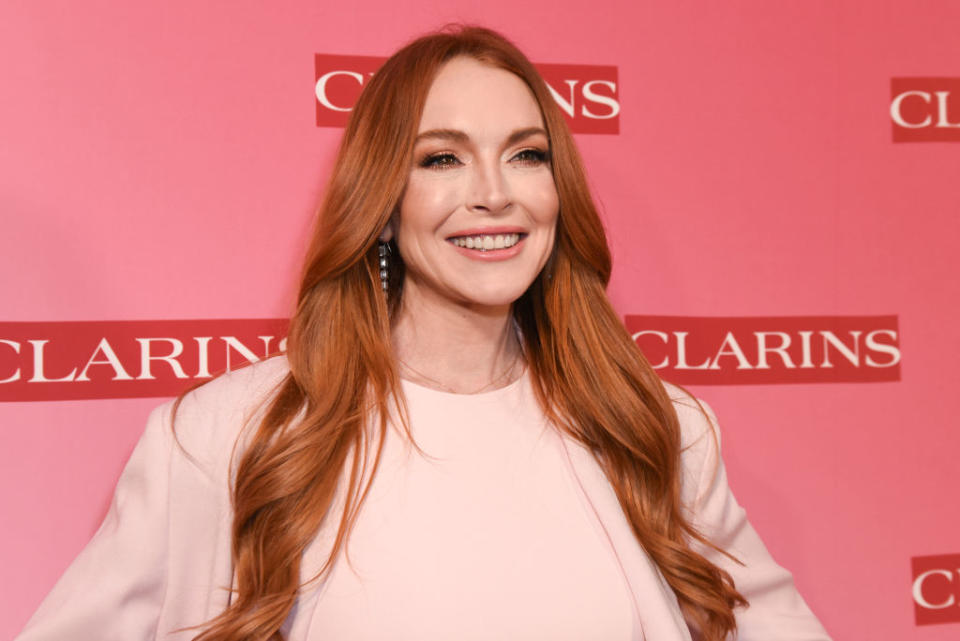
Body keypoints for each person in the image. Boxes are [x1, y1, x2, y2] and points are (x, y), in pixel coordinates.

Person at [16, 25, 831, 641]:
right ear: (381, 198)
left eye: (526, 155)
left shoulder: (656, 429)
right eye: (442, 159)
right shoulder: (233, 436)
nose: (493, 194)